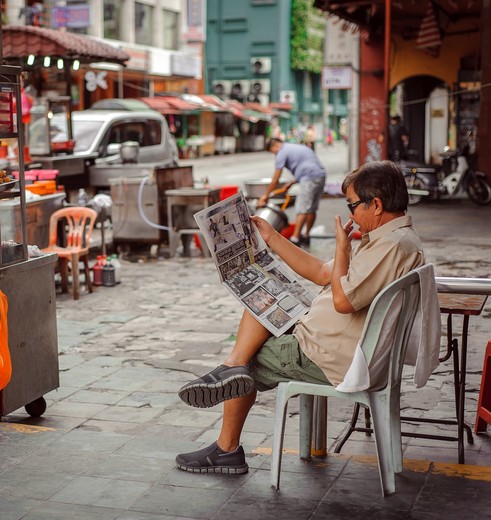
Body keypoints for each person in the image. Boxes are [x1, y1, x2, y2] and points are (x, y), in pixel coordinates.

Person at [175, 161, 425, 474]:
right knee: (260, 300)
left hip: (326, 353)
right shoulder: (391, 239)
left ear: (376, 205)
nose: (350, 214)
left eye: (353, 205)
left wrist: (343, 249)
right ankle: (231, 367)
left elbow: (343, 300)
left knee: (248, 361)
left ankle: (226, 444)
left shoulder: (392, 246)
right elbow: (324, 273)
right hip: (331, 339)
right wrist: (273, 239)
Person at [258, 137, 326, 247]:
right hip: (320, 175)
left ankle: (295, 239)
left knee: (302, 208)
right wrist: (292, 182)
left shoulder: (282, 152)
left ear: (275, 145)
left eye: (272, 152)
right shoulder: (294, 147)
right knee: (311, 208)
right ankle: (306, 236)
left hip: (308, 178)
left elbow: (275, 179)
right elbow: (307, 164)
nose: (274, 154)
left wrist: (265, 196)